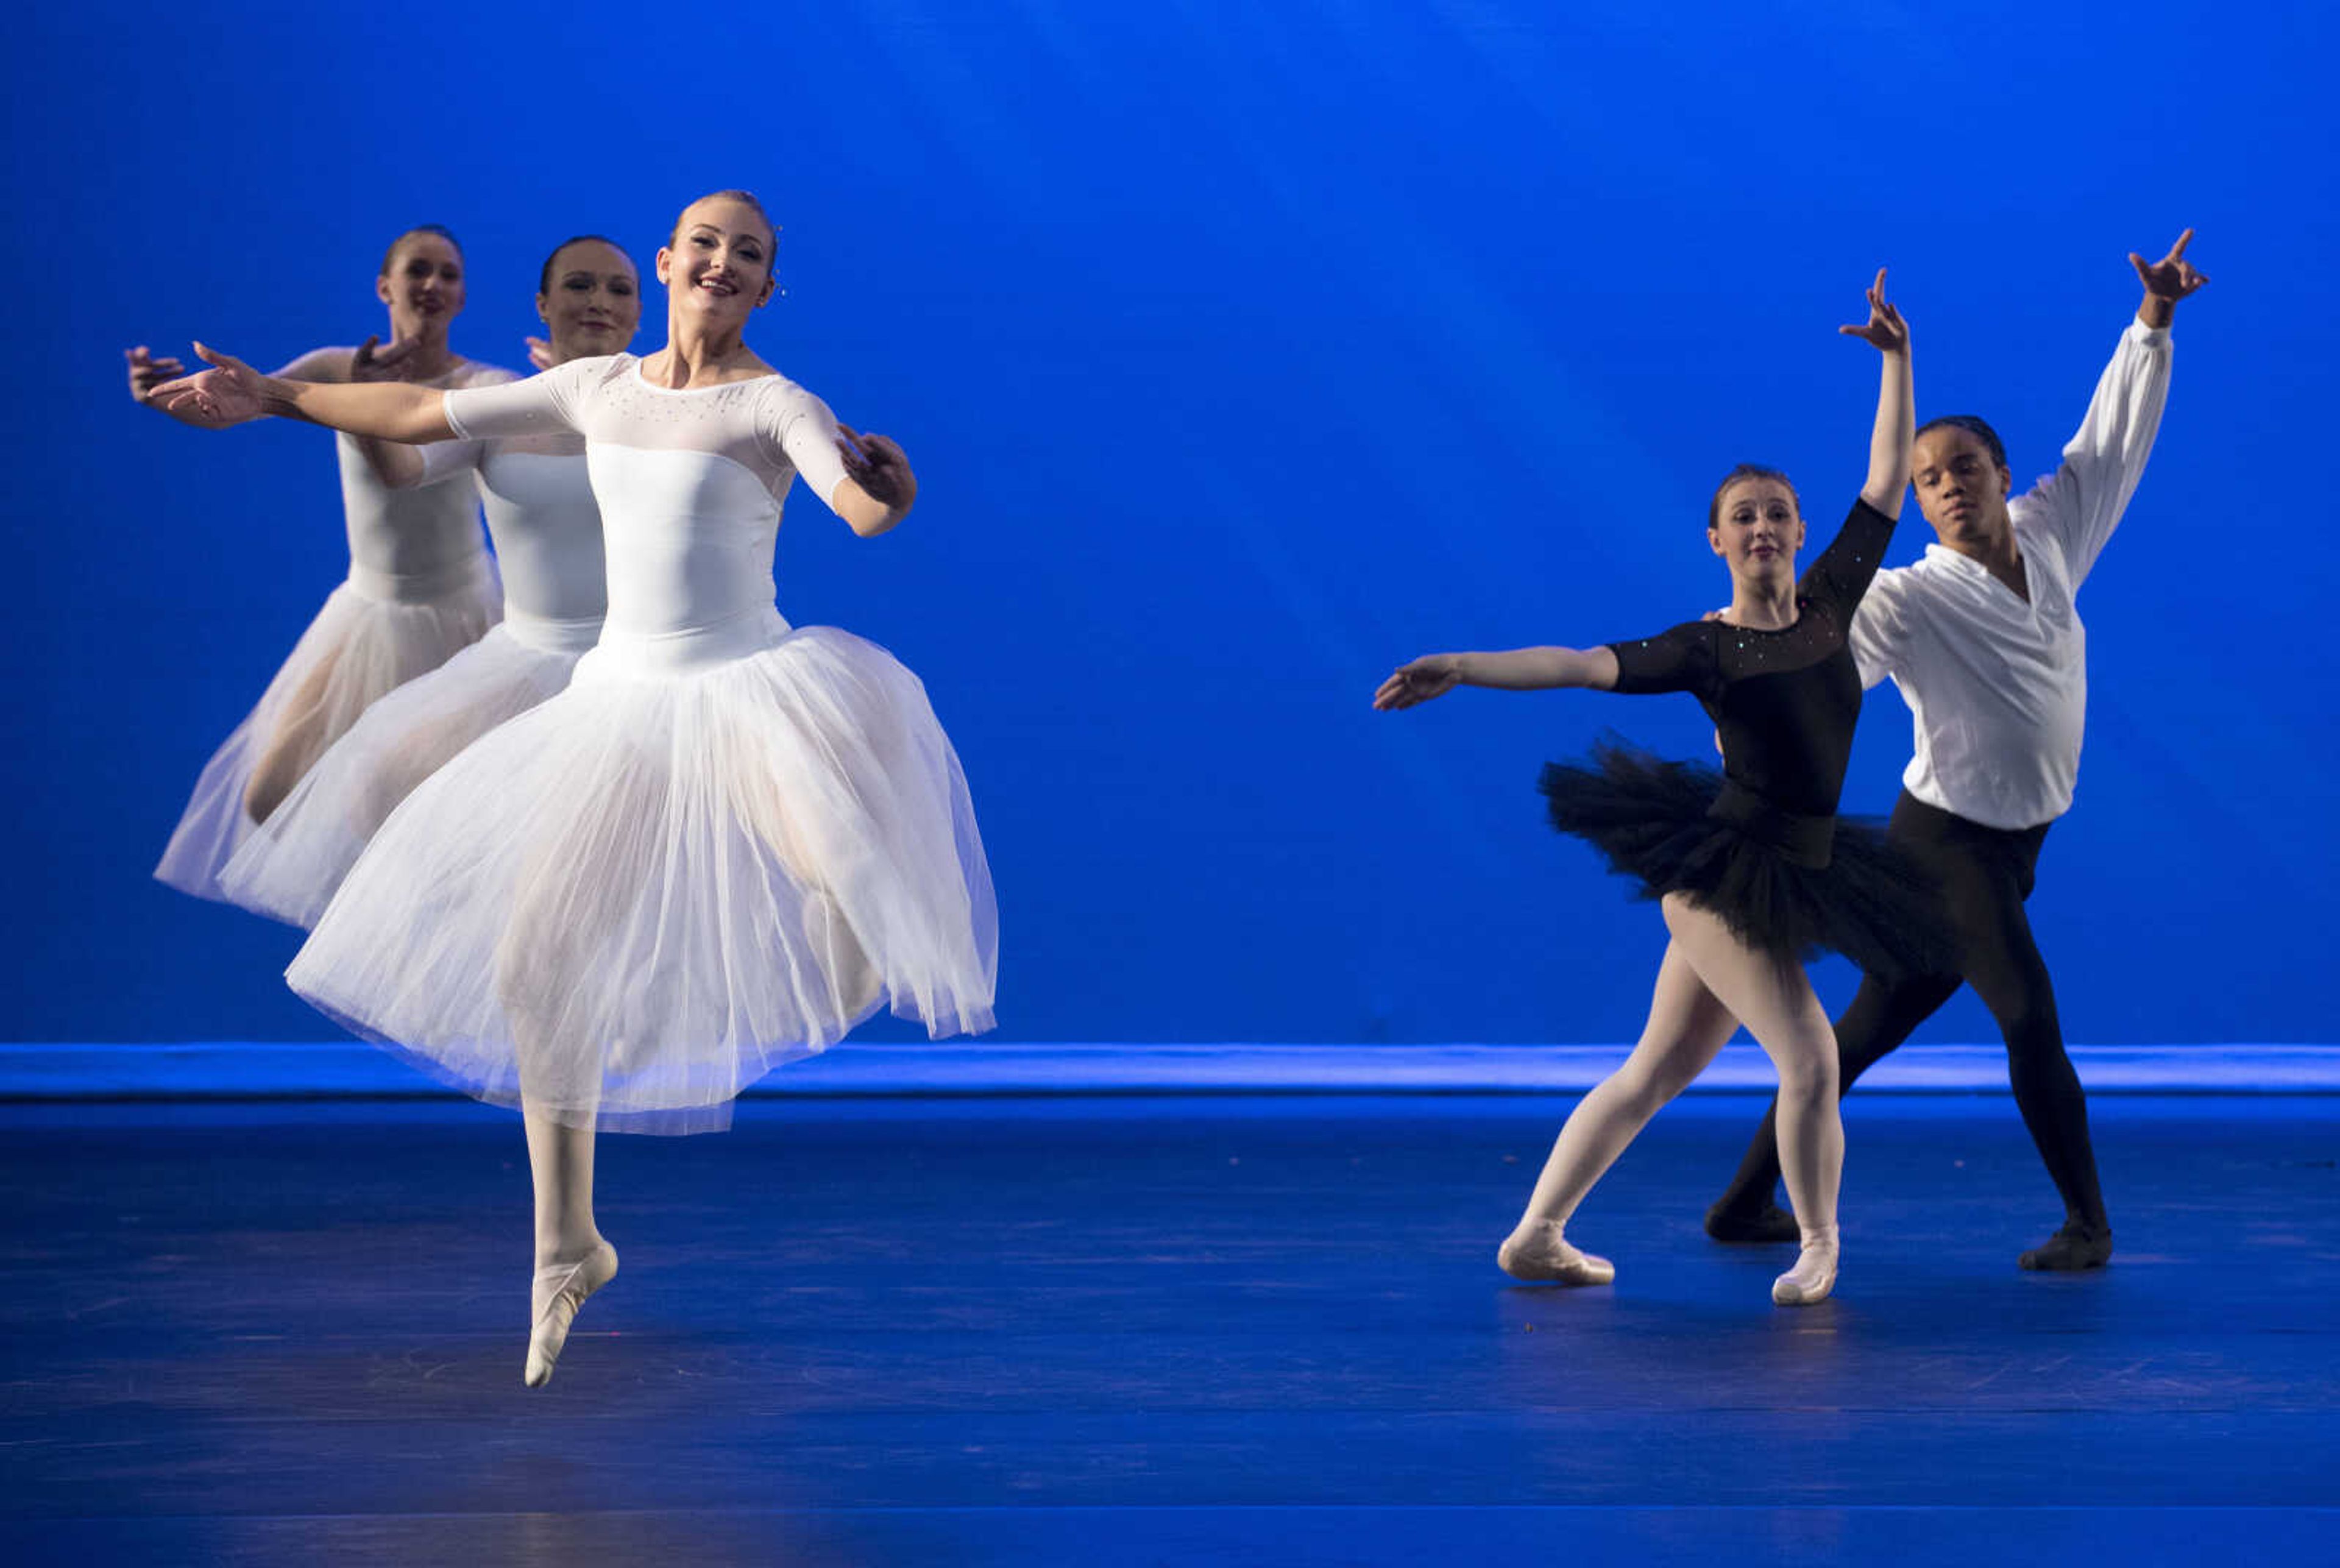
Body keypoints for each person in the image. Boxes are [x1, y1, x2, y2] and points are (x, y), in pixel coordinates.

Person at [151, 191, 998, 1385]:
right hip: (616, 704)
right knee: (536, 959)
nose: (722, 261)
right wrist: (278, 397)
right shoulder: (599, 391)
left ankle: (832, 932)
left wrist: (888, 494)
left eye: (747, 254)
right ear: (670, 262)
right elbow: (415, 406)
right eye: (704, 242)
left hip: (748, 686)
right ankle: (568, 1243)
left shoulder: (775, 402)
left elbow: (855, 503)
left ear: (765, 288)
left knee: (846, 889)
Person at [1374, 273, 1931, 1307]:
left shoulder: (1830, 606)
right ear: (1716, 540)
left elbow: (1889, 479)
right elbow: (1580, 662)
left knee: (1656, 1070)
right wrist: (1464, 660)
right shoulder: (1703, 647)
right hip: (1723, 870)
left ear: (1801, 532)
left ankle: (1537, 1234)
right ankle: (1818, 1243)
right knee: (1810, 1055)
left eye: (1776, 513)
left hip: (1803, 867)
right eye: (1742, 518)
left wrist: (1896, 359)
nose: (1762, 528)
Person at [1701, 233, 2207, 1271]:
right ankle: (2088, 1224)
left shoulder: (2058, 527)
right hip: (1945, 845)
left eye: (1962, 468)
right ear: (1921, 503)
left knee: (1858, 1036)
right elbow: (1817, 654)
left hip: (2017, 842)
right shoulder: (1910, 596)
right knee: (2028, 1012)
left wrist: (2153, 322)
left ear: (2000, 473)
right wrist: (1744, 678)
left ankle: (1742, 1202)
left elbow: (2114, 443)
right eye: (1927, 480)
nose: (1946, 488)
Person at [218, 236, 642, 927]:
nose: (598, 301)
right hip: (475, 634)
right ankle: (445, 925)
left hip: (613, 658)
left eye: (618, 290)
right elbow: (400, 458)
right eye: (580, 286)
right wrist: (278, 396)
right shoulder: (499, 403)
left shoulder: (547, 391)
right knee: (338, 789)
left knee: (584, 881)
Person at [130, 225, 511, 901]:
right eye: (418, 270)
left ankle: (437, 910)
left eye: (448, 274)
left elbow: (428, 461)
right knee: (272, 793)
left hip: (463, 616)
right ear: (384, 287)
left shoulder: (480, 386)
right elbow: (232, 405)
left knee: (447, 799)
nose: (433, 284)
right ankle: (394, 898)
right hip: (368, 612)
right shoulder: (337, 369)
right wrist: (160, 400)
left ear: (461, 295)